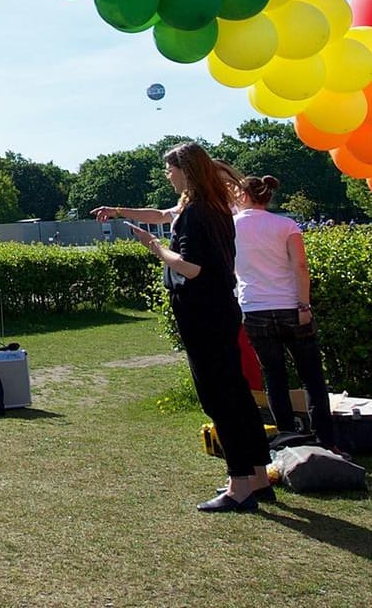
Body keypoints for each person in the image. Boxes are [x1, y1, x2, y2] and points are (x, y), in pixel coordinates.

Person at [94, 142, 269, 512]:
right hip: (220, 310)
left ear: (186, 170)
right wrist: (118, 211)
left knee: (218, 398)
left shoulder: (195, 214)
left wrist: (154, 247)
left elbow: (191, 267)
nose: (166, 174)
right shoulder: (213, 206)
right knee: (236, 391)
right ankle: (257, 476)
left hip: (201, 313)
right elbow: (161, 213)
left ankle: (238, 486)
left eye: (169, 169)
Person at [233, 174, 338, 451]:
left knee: (274, 376)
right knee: (312, 377)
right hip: (291, 306)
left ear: (244, 195)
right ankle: (326, 440)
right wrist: (304, 305)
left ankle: (287, 438)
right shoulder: (286, 225)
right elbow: (300, 266)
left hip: (254, 308)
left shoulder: (229, 226)